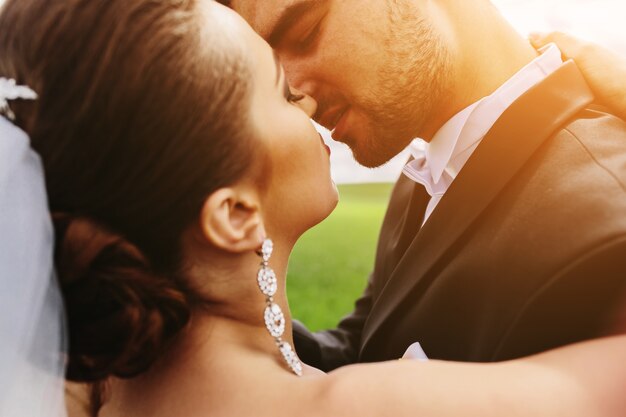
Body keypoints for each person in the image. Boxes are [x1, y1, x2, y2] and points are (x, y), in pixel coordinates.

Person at [1, 1, 626, 416]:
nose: (296, 93)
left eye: (304, 33)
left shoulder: (605, 208)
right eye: (272, 77)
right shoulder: (418, 182)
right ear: (232, 213)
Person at [223, 0, 626, 368]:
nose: (296, 95)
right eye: (269, 67)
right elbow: (368, 347)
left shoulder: (604, 231)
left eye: (305, 34)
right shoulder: (423, 171)